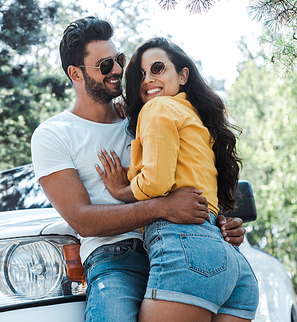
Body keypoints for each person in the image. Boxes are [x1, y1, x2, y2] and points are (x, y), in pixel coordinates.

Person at [31, 16, 246, 322]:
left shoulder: (145, 115)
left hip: (182, 244)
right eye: (105, 65)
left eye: (118, 60)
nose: (118, 69)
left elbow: (191, 176)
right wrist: (164, 207)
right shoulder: (54, 134)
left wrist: (219, 219)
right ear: (75, 74)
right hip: (115, 259)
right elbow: (82, 219)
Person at [95, 37, 259, 321]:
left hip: (186, 252)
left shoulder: (158, 108)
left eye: (157, 68)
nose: (148, 79)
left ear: (183, 75)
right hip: (233, 267)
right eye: (140, 75)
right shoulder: (195, 119)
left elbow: (157, 184)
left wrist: (121, 190)